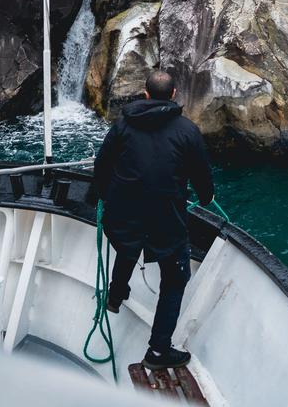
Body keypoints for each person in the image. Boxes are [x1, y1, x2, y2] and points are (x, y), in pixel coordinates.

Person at [94, 69, 214, 370]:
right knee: (175, 279)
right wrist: (206, 196)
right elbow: (201, 174)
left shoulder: (123, 125)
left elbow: (102, 164)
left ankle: (116, 295)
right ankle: (159, 351)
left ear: (145, 94)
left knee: (128, 245)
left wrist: (102, 195)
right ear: (173, 95)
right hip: (166, 220)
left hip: (123, 215)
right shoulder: (187, 131)